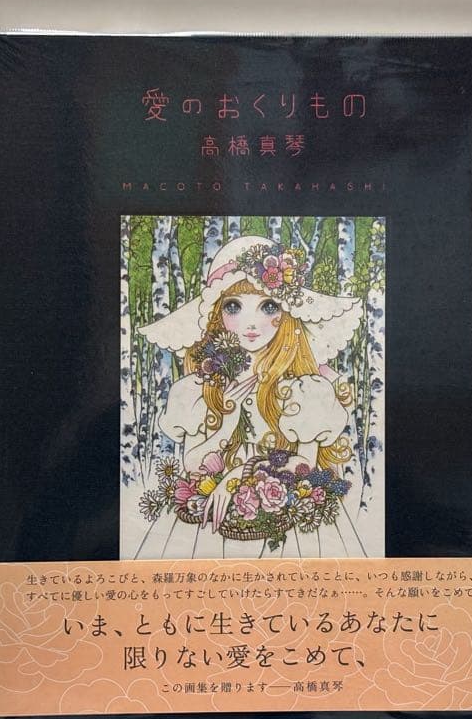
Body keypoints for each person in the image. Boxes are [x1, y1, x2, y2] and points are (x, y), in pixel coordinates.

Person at [139, 236, 362, 556]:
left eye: (268, 306)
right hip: (214, 518)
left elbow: (304, 466)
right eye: (234, 306)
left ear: (287, 313)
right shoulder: (200, 386)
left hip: (282, 518)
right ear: (216, 314)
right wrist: (227, 426)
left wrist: (237, 477)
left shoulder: (304, 388)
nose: (251, 322)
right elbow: (191, 464)